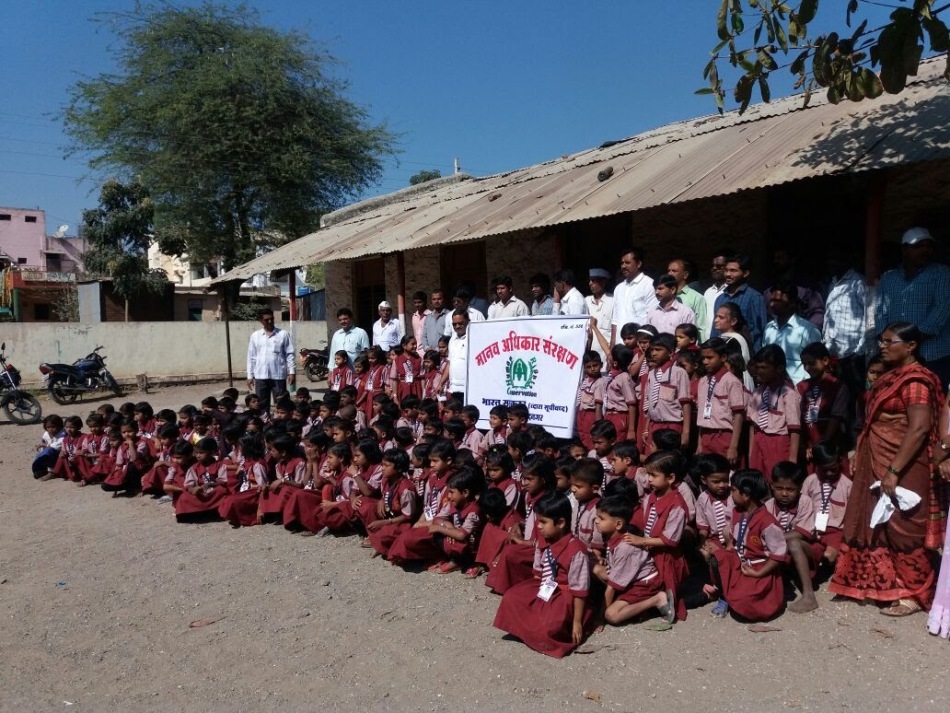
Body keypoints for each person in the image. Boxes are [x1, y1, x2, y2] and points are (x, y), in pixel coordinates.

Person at [831, 322, 943, 616]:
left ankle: (915, 593)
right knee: (879, 522)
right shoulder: (891, 377)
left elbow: (919, 429)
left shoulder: (916, 381)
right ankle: (887, 585)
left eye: (889, 341)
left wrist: (894, 471)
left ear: (911, 346)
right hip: (878, 457)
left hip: (906, 464)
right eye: (881, 341)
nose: (882, 346)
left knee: (905, 526)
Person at [492, 492, 594, 658]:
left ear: (561, 523)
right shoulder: (544, 538)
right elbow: (538, 572)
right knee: (511, 597)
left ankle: (538, 632)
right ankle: (528, 628)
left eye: (543, 522)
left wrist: (577, 622)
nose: (538, 526)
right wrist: (533, 597)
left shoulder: (576, 551)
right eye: (538, 521)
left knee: (549, 624)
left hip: (565, 594)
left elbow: (580, 591)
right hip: (546, 585)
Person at [709, 469, 788, 621]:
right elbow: (734, 541)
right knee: (717, 559)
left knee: (746, 602)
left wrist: (758, 573)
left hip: (759, 568)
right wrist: (724, 553)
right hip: (741, 561)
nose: (731, 494)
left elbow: (778, 555)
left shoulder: (767, 522)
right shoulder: (737, 512)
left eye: (733, 490)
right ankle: (723, 597)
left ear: (746, 495)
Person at [875, 226, 950, 385]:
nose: (925, 250)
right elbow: (880, 313)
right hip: (897, 355)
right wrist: (888, 342)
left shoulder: (942, 273)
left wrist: (911, 339)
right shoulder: (889, 278)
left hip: (932, 354)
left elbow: (942, 308)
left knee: (932, 395)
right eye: (918, 246)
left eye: (928, 246)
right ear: (904, 249)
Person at [822, 248, 869, 417]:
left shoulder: (858, 282)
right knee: (839, 399)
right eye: (829, 259)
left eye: (835, 259)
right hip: (835, 355)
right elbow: (830, 317)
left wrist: (859, 352)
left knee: (856, 398)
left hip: (853, 355)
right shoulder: (833, 283)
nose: (831, 263)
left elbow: (870, 317)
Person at [747, 345, 801, 480]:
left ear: (779, 369)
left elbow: (794, 429)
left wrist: (792, 459)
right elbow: (753, 426)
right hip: (759, 439)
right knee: (758, 480)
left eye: (763, 368)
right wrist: (751, 451)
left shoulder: (788, 394)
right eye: (758, 367)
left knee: (776, 479)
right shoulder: (758, 392)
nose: (759, 371)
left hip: (778, 442)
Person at [696, 337, 746, 466]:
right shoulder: (703, 381)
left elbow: (738, 415)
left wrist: (733, 446)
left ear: (723, 357)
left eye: (710, 358)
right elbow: (702, 415)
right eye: (703, 358)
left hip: (724, 436)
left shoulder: (732, 381)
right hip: (706, 435)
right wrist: (700, 443)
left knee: (724, 471)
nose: (705, 361)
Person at [762, 281, 822, 385]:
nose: (772, 305)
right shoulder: (768, 328)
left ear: (792, 302)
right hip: (773, 388)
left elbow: (816, 365)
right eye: (771, 300)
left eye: (778, 301)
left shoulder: (808, 330)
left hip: (799, 388)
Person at [712, 254, 768, 352]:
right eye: (726, 270)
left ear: (745, 273)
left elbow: (760, 330)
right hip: (721, 353)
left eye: (733, 271)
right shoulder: (720, 298)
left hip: (745, 353)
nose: (728, 274)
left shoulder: (754, 298)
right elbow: (715, 329)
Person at [246, 307, 295, 412]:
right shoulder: (255, 336)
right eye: (266, 319)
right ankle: (264, 421)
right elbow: (251, 357)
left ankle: (281, 421)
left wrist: (292, 372)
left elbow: (289, 354)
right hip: (261, 376)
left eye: (271, 319)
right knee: (261, 405)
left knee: (281, 404)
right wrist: (250, 376)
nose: (269, 321)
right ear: (260, 321)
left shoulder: (283, 334)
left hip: (278, 376)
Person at [612, 247, 657, 342]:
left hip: (639, 343)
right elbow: (615, 320)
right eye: (622, 263)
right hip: (620, 343)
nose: (623, 266)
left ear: (638, 264)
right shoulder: (619, 288)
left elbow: (653, 318)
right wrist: (612, 344)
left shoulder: (649, 285)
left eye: (627, 262)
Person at [667, 258, 708, 341]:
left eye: (674, 271)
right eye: (668, 271)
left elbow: (701, 328)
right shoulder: (664, 295)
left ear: (685, 274)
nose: (670, 274)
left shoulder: (696, 298)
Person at [585, 268, 615, 366]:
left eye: (594, 281)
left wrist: (611, 353)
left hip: (606, 354)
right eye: (590, 280)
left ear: (603, 282)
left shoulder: (613, 301)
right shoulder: (586, 301)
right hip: (590, 355)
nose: (590, 283)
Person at [703, 249, 732, 339]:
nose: (714, 268)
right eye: (713, 266)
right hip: (707, 341)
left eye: (718, 266)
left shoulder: (731, 291)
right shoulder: (708, 292)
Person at [446, 309, 470, 400]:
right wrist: (441, 383)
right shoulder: (452, 339)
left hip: (468, 388)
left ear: (468, 321)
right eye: (454, 324)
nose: (457, 326)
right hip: (454, 388)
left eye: (461, 323)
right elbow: (450, 363)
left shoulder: (473, 338)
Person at [421, 289, 449, 354]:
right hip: (430, 355)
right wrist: (427, 348)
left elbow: (450, 336)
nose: (436, 301)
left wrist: (438, 349)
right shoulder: (428, 317)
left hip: (445, 354)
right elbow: (424, 336)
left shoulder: (449, 316)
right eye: (434, 299)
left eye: (439, 299)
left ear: (443, 300)